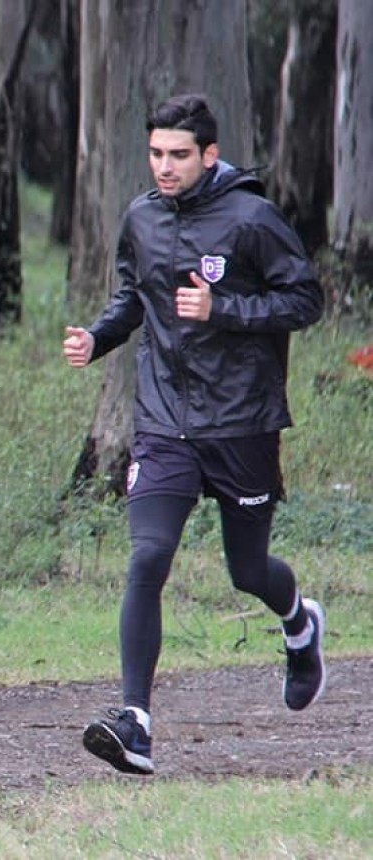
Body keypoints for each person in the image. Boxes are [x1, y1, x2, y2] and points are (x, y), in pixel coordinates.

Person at [63, 94, 326, 776]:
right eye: (156, 154)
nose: (165, 167)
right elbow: (133, 298)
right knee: (148, 557)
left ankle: (300, 623)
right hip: (164, 423)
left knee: (247, 572)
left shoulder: (251, 217)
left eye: (179, 155)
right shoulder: (142, 217)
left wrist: (224, 308)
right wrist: (97, 337)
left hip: (241, 422)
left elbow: (305, 300)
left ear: (209, 155)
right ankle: (136, 724)